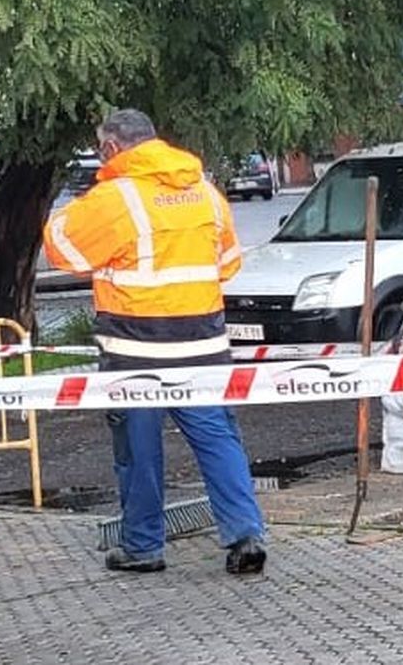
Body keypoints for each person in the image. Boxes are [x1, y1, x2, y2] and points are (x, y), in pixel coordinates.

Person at [43, 109, 266, 574]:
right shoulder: (204, 191)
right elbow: (227, 263)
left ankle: (144, 547)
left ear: (110, 148)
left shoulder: (115, 197)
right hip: (204, 342)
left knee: (138, 450)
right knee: (218, 438)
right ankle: (245, 534)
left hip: (134, 347)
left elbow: (60, 248)